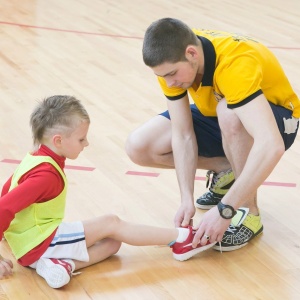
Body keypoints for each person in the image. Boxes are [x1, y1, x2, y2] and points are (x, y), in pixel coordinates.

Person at [0, 95, 216, 288]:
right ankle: (181, 239)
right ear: (58, 140)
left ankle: (61, 264)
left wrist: (9, 236)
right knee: (111, 223)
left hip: (31, 242)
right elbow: (4, 207)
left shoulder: (35, 157)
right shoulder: (46, 175)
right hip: (38, 242)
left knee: (112, 242)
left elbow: (6, 191)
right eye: (81, 139)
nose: (86, 143)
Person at [125, 18, 299, 252]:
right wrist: (186, 198)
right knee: (139, 146)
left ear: (192, 53)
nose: (169, 83)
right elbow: (183, 134)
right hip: (222, 111)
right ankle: (226, 168)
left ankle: (249, 212)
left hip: (277, 121)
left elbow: (271, 145)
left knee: (229, 112)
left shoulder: (236, 63)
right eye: (162, 76)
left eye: (172, 74)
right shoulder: (173, 57)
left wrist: (225, 210)